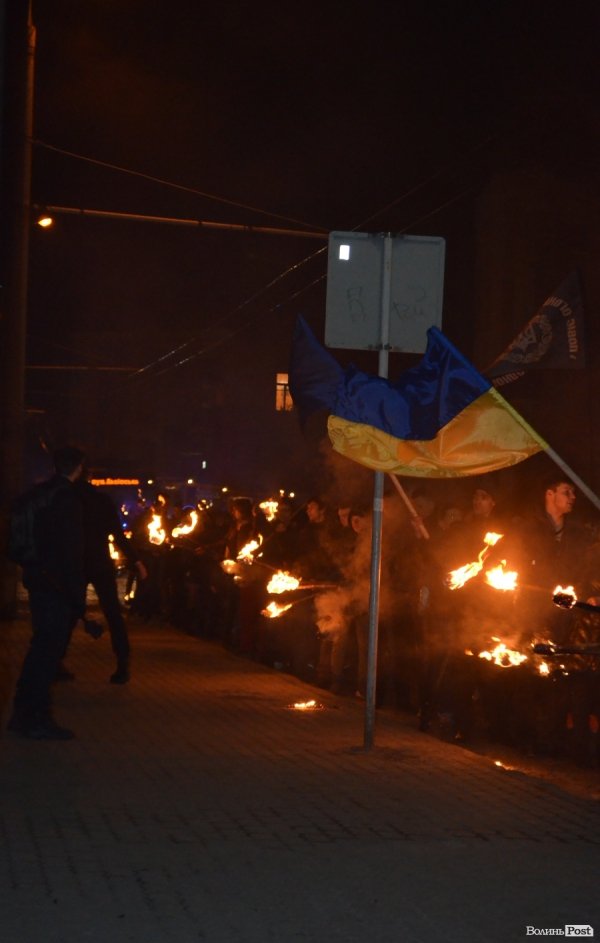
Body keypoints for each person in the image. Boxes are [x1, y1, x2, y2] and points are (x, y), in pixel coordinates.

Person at [8, 446, 88, 740]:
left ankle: (22, 714)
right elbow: (70, 549)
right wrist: (75, 594)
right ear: (79, 467)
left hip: (38, 579)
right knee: (47, 655)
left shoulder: (39, 494)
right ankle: (37, 718)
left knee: (38, 649)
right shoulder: (66, 498)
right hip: (56, 586)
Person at [67, 477, 147, 683]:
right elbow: (118, 536)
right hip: (100, 563)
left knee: (67, 612)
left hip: (75, 562)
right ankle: (122, 663)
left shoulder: (67, 499)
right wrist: (136, 560)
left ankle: (56, 661)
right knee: (113, 613)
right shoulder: (102, 501)